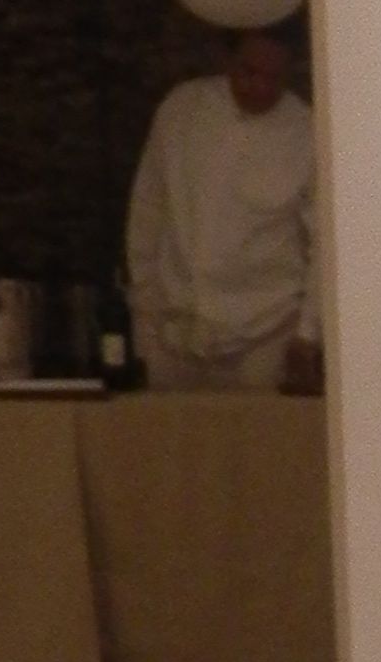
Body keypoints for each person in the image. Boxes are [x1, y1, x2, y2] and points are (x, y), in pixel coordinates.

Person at [124, 25, 324, 392]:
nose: (260, 88)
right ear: (227, 61)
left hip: (265, 334)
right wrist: (143, 307)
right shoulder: (182, 110)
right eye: (249, 72)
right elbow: (148, 208)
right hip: (172, 330)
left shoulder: (308, 131)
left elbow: (324, 242)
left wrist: (308, 332)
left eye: (274, 77)